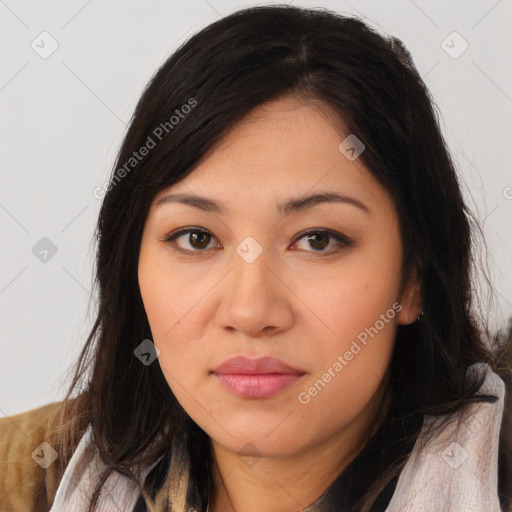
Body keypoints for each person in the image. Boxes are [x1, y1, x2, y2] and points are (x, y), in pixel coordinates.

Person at [1, 5, 511, 512]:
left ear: (413, 278)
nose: (250, 312)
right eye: (197, 238)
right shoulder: (26, 477)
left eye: (317, 240)